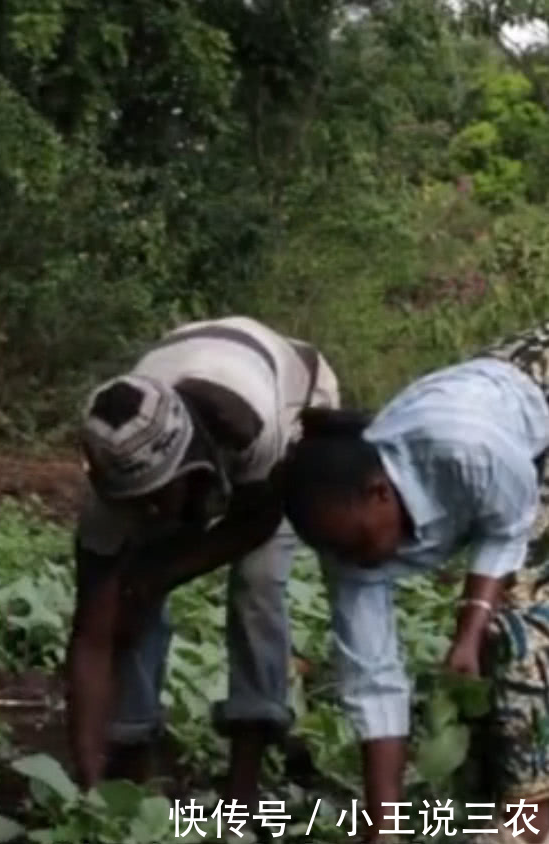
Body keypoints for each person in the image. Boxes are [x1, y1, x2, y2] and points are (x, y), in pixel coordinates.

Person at [281, 321, 549, 842]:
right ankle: (499, 792)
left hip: (533, 402)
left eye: (358, 543)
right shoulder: (349, 553)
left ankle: (534, 816)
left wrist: (470, 628)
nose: (354, 561)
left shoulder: (461, 450)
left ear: (380, 493)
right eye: (338, 552)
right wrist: (382, 829)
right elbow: (374, 680)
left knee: (517, 630)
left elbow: (509, 527)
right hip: (508, 423)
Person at [67, 315, 341, 815]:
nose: (147, 514)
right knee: (127, 591)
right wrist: (88, 783)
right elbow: (91, 636)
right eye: (137, 502)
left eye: (156, 498)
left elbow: (257, 523)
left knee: (258, 584)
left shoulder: (252, 426)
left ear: (189, 464)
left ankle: (245, 779)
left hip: (296, 391)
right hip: (201, 368)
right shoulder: (114, 474)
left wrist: (165, 572)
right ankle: (130, 759)